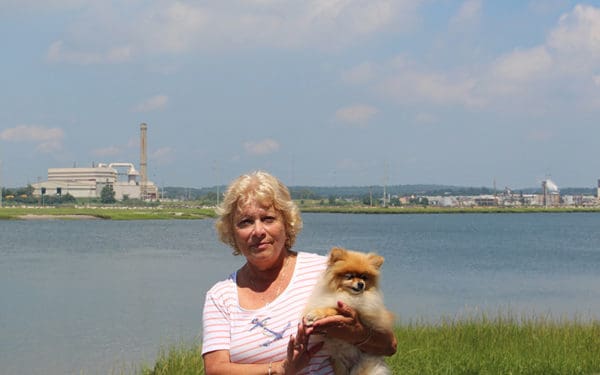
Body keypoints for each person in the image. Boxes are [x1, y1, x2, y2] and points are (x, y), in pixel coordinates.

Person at [202, 171, 397, 374]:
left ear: (287, 224)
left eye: (268, 219)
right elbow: (215, 370)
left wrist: (356, 333)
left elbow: (389, 346)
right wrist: (282, 369)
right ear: (232, 232)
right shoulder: (220, 296)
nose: (258, 231)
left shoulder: (328, 272)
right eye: (245, 222)